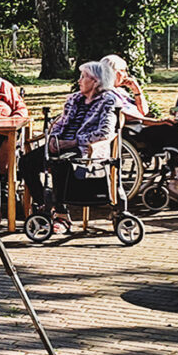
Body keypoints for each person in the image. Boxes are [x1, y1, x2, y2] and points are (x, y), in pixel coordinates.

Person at [19, 62, 117, 232]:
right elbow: (61, 123)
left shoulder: (107, 101)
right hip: (61, 144)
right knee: (26, 162)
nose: (79, 81)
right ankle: (44, 206)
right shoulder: (74, 99)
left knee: (60, 163)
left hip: (85, 148)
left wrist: (75, 142)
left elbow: (105, 132)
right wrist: (53, 138)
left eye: (83, 77)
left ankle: (62, 214)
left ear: (96, 81)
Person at [101, 54, 178, 188]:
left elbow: (143, 111)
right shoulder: (105, 93)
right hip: (130, 132)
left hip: (139, 128)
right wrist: (155, 122)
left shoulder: (120, 91)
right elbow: (123, 115)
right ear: (113, 72)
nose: (126, 75)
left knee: (177, 128)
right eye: (123, 71)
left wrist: (136, 90)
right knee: (169, 129)